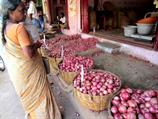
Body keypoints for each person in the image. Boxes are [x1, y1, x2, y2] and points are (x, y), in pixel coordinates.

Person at [0, 0, 62, 119]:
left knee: (34, 102)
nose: (24, 13)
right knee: (41, 96)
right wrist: (37, 45)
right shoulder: (19, 28)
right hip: (31, 72)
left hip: (21, 74)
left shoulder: (6, 27)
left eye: (25, 10)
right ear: (10, 12)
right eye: (21, 10)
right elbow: (28, 54)